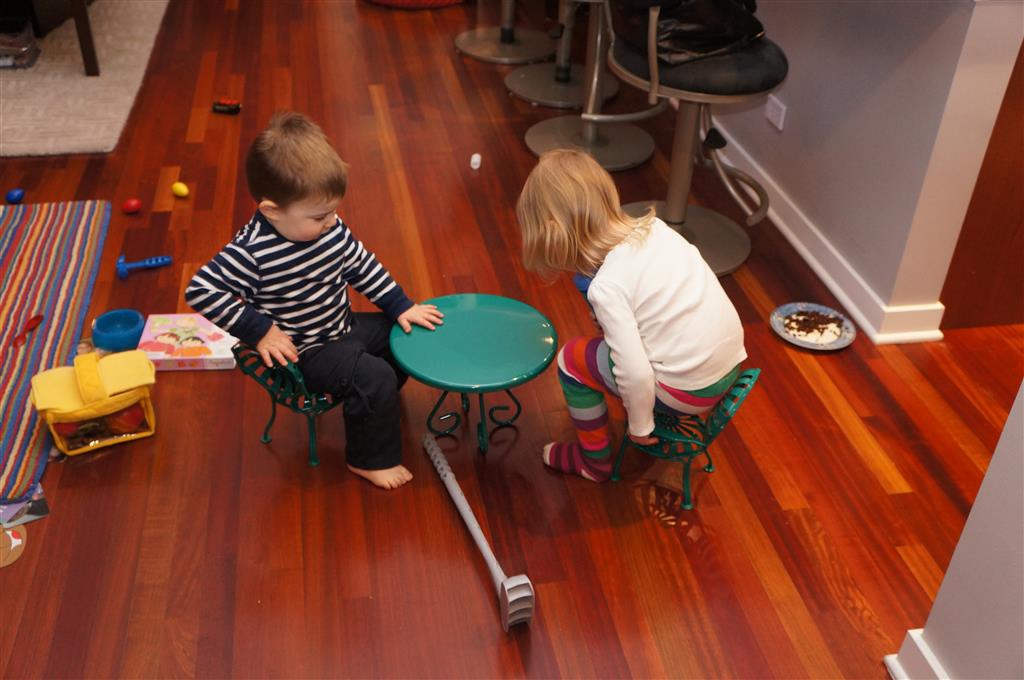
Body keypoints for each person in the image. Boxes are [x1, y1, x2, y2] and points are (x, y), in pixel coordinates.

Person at [185, 112, 443, 489]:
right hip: (306, 352)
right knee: (376, 375)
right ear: (271, 210)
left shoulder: (327, 228)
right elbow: (201, 289)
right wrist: (262, 332)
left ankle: (375, 406)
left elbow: (361, 265)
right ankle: (369, 459)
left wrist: (400, 305)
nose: (331, 222)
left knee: (399, 335)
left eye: (334, 211)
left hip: (342, 327)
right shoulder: (252, 251)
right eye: (320, 215)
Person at [516, 149, 746, 481]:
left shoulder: (607, 286)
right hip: (727, 366)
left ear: (554, 236)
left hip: (686, 391)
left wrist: (640, 425)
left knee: (571, 361)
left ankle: (593, 462)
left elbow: (635, 372)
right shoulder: (657, 229)